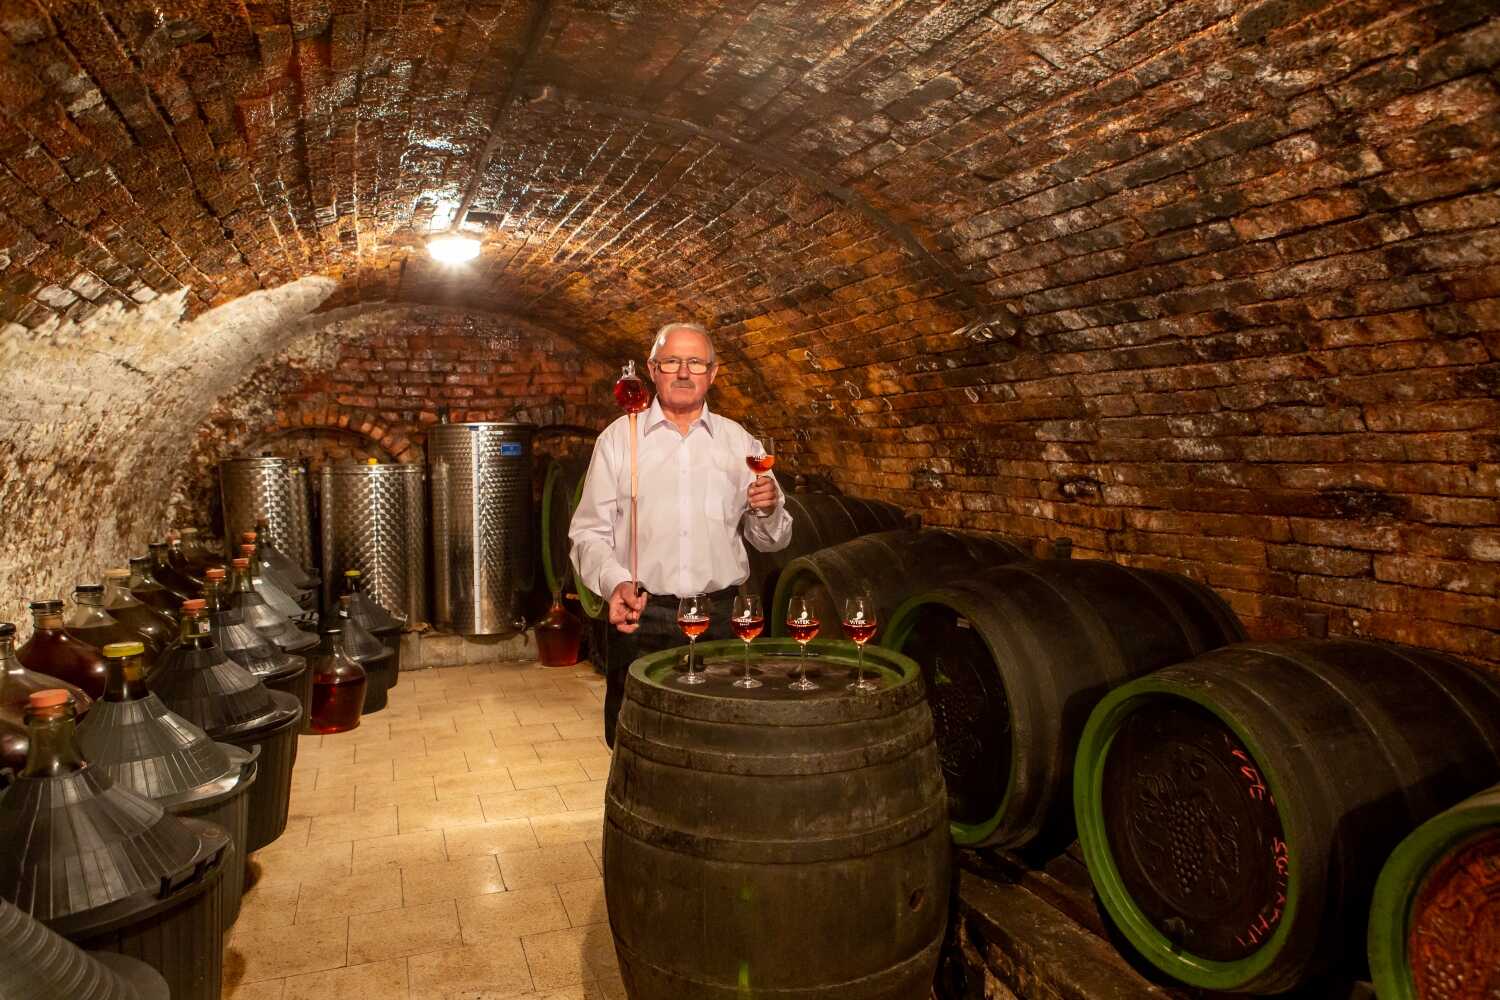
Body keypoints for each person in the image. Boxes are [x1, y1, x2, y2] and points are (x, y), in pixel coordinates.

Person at [569, 321, 792, 746]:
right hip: (644, 616)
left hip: (724, 620)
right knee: (639, 745)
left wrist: (768, 510)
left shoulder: (740, 443)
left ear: (713, 373)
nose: (685, 372)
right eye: (672, 361)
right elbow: (587, 533)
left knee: (727, 743)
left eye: (696, 363)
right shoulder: (619, 440)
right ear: (653, 369)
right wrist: (615, 583)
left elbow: (772, 540)